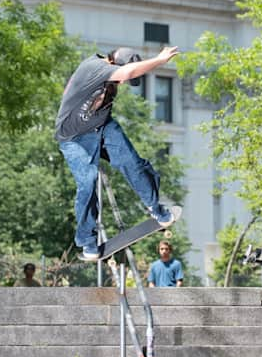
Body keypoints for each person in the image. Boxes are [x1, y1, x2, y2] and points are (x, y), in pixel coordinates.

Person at [56, 46, 179, 261]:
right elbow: (127, 73)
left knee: (132, 162)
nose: (121, 83)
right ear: (113, 63)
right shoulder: (94, 67)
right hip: (74, 137)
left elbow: (125, 75)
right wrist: (159, 60)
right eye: (120, 78)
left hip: (102, 126)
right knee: (87, 182)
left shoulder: (110, 74)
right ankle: (87, 241)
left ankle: (155, 208)